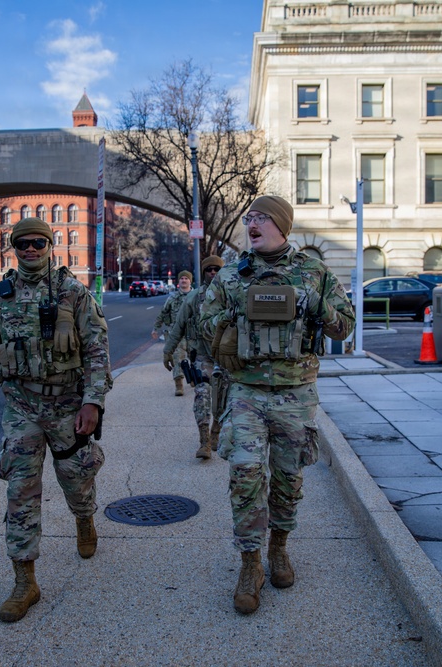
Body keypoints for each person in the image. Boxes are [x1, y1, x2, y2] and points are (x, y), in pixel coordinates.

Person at [200, 195, 355, 615]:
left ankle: (279, 549)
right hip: (247, 391)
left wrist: (315, 306)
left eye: (261, 217)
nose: (252, 224)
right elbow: (204, 322)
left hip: (295, 393)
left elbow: (345, 327)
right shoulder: (232, 275)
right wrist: (231, 324)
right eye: (248, 217)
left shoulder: (314, 271)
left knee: (288, 479)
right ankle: (250, 564)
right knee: (245, 475)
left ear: (282, 225)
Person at [0, 216, 112, 623]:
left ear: (51, 246)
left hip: (67, 405)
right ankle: (24, 580)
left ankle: (85, 518)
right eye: (22, 244)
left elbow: (98, 349)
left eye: (38, 243)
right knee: (20, 491)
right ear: (14, 249)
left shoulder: (73, 292)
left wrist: (93, 402)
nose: (30, 250)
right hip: (22, 408)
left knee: (76, 479)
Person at [163, 255, 227, 460]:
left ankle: (216, 431)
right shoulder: (193, 297)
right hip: (202, 357)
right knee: (202, 396)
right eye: (209, 270)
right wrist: (168, 350)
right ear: (204, 272)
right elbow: (179, 325)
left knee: (223, 401)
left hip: (226, 358)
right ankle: (204, 441)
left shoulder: (231, 295)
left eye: (217, 269)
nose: (213, 273)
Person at [151, 270, 193, 396]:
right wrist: (155, 328)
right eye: (182, 278)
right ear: (178, 282)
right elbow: (163, 313)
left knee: (196, 359)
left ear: (190, 281)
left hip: (193, 333)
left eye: (186, 278)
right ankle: (179, 385)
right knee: (177, 359)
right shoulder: (172, 298)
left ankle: (194, 378)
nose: (184, 280)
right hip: (176, 334)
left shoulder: (196, 296)